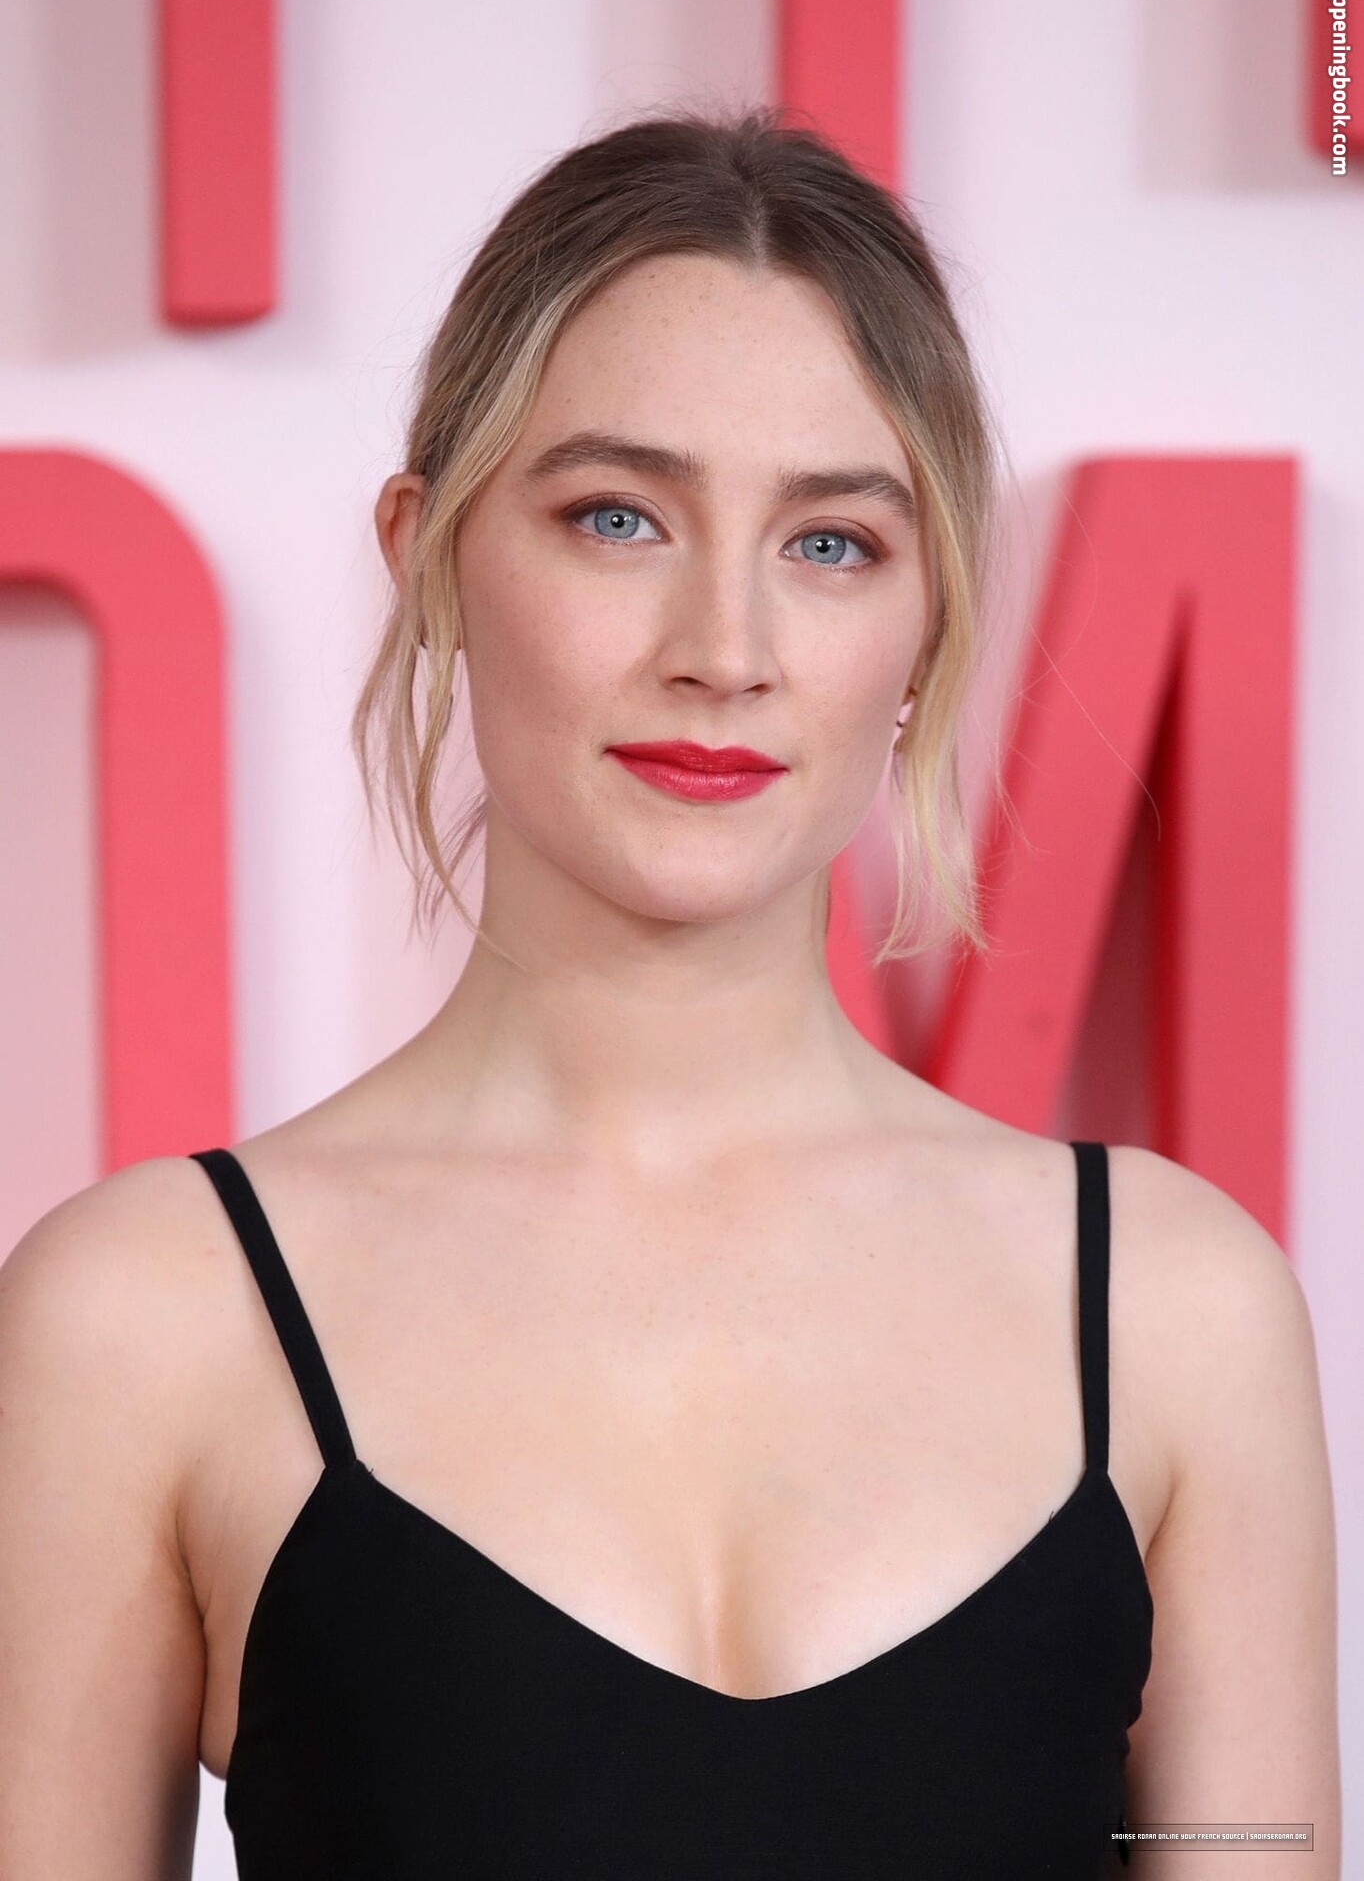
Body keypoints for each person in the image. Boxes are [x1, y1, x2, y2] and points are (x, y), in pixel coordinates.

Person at [0, 107, 1339, 1879]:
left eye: (832, 542)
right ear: (428, 554)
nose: (725, 650)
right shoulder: (144, 1320)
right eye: (618, 517)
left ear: (928, 622)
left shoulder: (1177, 1312)